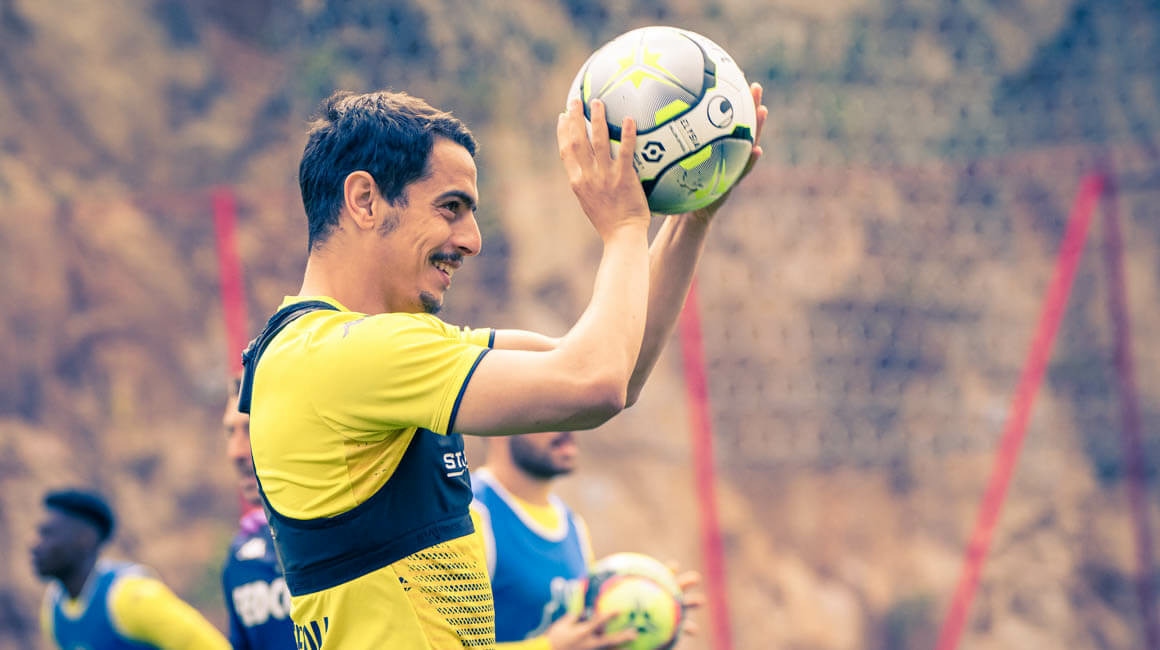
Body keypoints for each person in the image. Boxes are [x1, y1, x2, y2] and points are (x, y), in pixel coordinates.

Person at [239, 85, 766, 649]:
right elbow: (594, 382)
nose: (472, 240)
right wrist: (623, 228)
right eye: (451, 207)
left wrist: (692, 215)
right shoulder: (339, 355)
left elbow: (618, 363)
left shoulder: (358, 348)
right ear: (365, 200)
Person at [471, 432, 703, 649]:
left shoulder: (573, 525)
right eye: (545, 413)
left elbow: (583, 635)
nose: (567, 426)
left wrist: (646, 610)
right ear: (497, 427)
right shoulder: (468, 514)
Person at [32, 488, 230, 650]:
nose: (34, 545)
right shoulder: (54, 609)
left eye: (48, 534)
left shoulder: (128, 596)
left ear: (85, 538)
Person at [221, 379, 295, 649]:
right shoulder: (240, 560)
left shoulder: (354, 530)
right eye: (230, 433)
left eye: (250, 429)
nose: (236, 452)